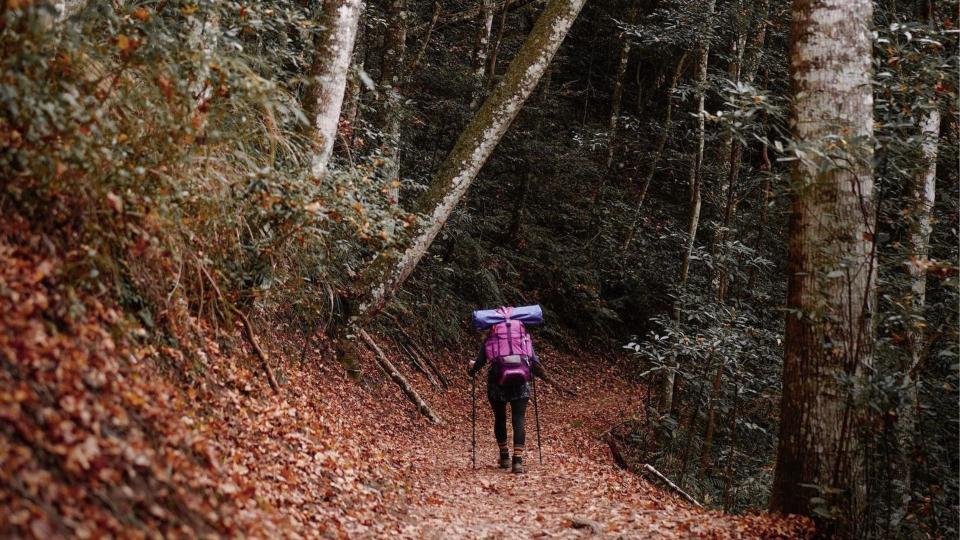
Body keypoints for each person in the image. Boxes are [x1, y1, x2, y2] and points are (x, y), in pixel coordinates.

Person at [467, 337, 570, 474]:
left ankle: (504, 457)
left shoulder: (490, 338)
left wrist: (471, 369)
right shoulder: (523, 336)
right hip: (521, 382)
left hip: (497, 383)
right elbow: (534, 361)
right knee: (519, 418)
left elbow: (479, 363)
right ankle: (518, 461)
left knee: (500, 418)